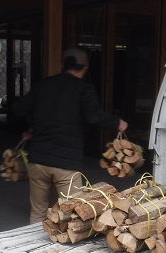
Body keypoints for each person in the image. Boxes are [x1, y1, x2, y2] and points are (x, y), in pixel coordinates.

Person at [12, 48, 128, 224]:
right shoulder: (84, 89)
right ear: (85, 68)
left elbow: (18, 110)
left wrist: (31, 128)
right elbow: (94, 116)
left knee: (38, 212)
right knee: (73, 214)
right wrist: (116, 122)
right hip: (66, 164)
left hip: (38, 159)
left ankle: (31, 248)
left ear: (62, 65)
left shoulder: (43, 85)